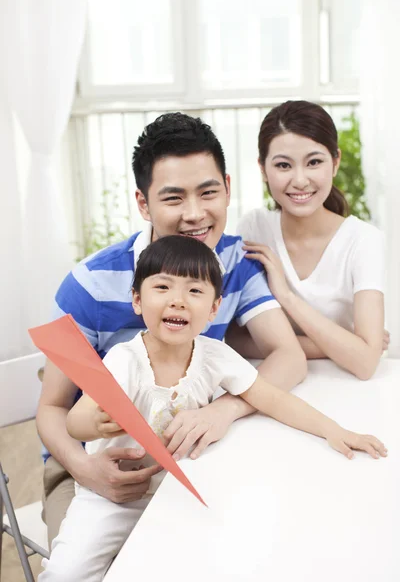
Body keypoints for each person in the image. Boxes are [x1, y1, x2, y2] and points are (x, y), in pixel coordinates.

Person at [38, 235, 387, 582]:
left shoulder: (214, 356)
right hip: (113, 497)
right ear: (137, 300)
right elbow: (76, 421)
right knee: (67, 572)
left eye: (194, 291)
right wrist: (98, 422)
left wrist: (335, 431)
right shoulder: (125, 360)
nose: (178, 301)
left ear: (215, 307)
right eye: (162, 288)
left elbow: (273, 399)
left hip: (182, 491)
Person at [36, 112, 307, 547]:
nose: (195, 214)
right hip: (89, 461)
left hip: (183, 451)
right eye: (174, 198)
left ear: (228, 189)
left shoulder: (235, 262)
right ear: (143, 204)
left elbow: (287, 356)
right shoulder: (89, 284)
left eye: (208, 192)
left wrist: (225, 410)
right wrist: (86, 470)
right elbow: (51, 408)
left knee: (257, 539)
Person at [234, 100, 387, 380]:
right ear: (263, 168)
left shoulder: (363, 241)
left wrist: (287, 297)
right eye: (283, 165)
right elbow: (233, 339)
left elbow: (366, 364)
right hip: (276, 380)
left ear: (336, 162)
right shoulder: (253, 229)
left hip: (346, 388)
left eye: (314, 162)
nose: (300, 180)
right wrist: (341, 343)